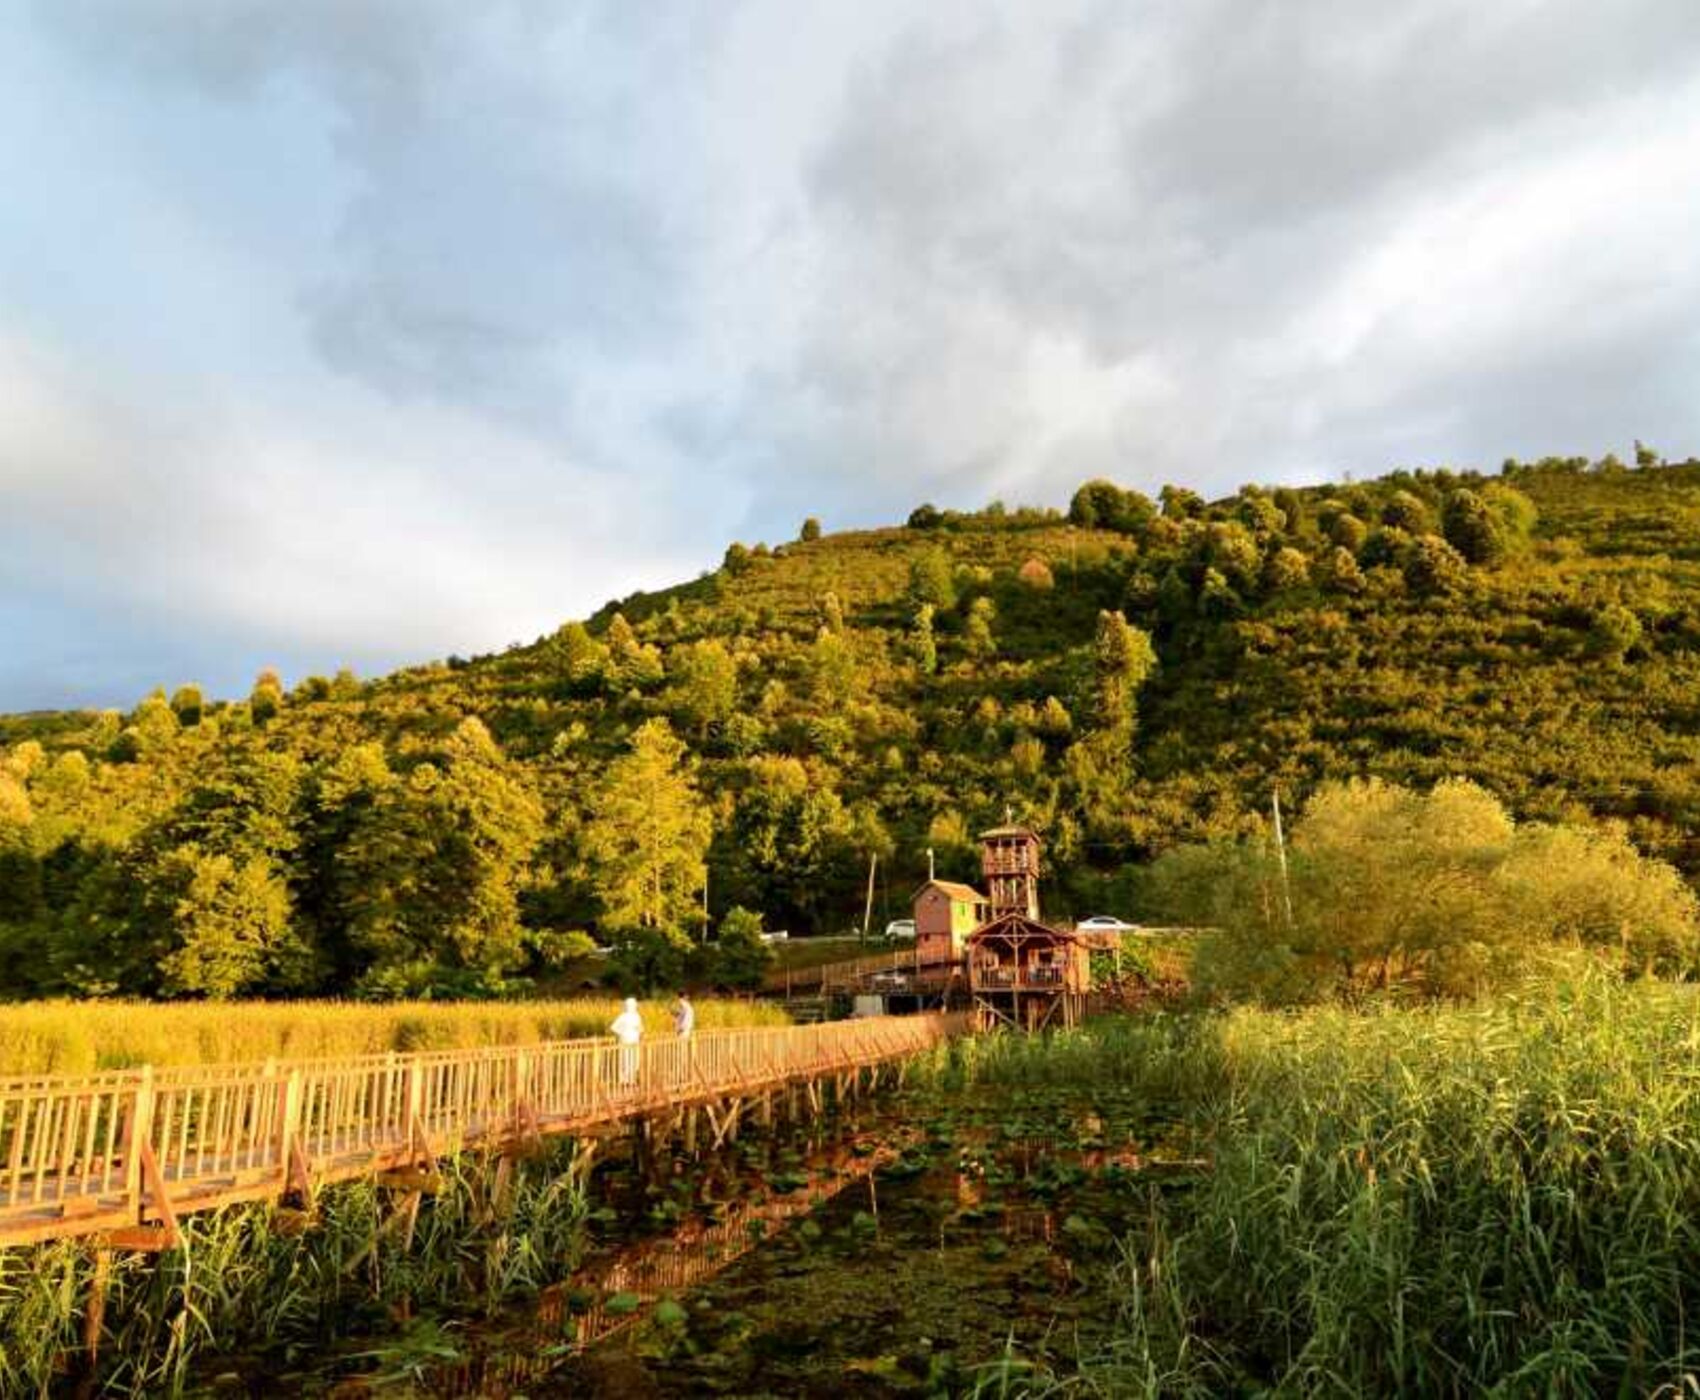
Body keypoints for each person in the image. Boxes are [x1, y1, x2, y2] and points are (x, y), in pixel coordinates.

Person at [610, 997, 643, 1088]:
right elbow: (641, 1030)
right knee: (632, 1060)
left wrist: (621, 1033)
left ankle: (624, 1080)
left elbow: (614, 1028)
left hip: (625, 1040)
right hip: (634, 1041)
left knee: (625, 1060)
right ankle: (630, 1080)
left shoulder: (623, 1016)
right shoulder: (637, 1016)